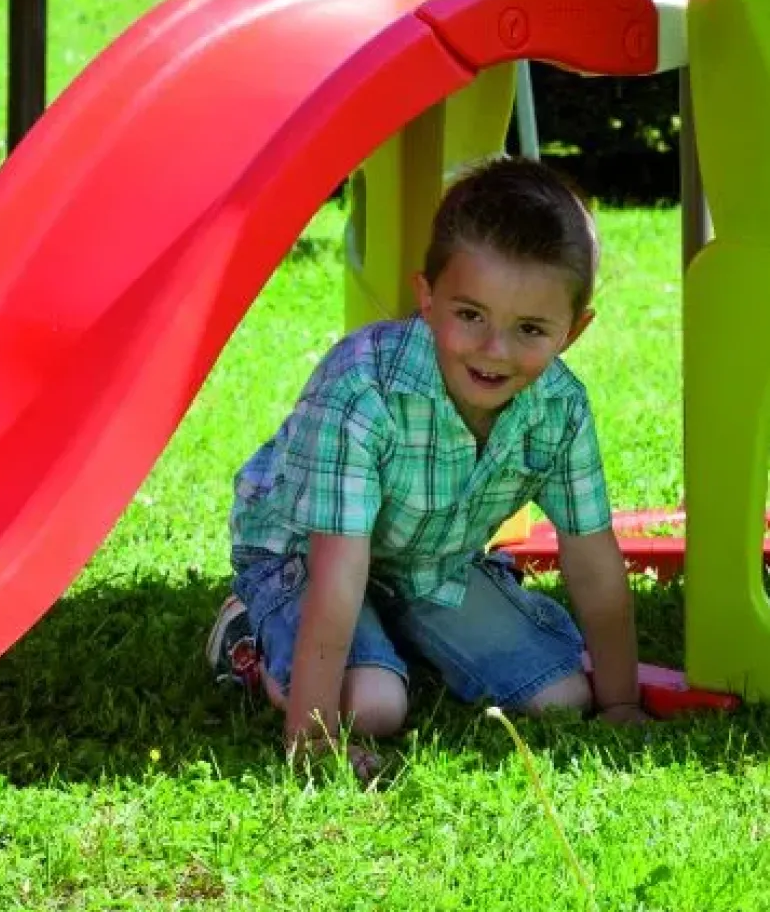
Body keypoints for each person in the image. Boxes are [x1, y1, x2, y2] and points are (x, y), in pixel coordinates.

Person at [206, 156, 649, 779]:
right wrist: (312, 738)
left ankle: (398, 631)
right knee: (375, 706)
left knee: (563, 698)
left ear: (573, 332)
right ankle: (247, 633)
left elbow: (593, 559)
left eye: (530, 329)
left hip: (431, 563)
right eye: (471, 315)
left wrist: (621, 701)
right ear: (428, 296)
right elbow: (337, 571)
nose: (495, 351)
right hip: (305, 558)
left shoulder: (561, 408)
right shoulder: (364, 390)